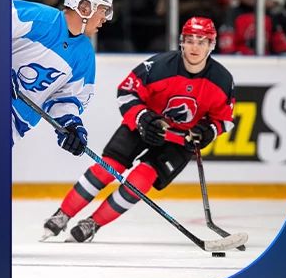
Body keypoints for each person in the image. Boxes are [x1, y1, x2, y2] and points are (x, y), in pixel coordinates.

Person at [42, 16, 234, 243]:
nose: (194, 47)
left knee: (141, 178)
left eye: (201, 41)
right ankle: (63, 213)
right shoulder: (160, 66)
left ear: (211, 45)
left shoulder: (222, 80)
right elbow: (126, 91)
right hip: (144, 126)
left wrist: (206, 132)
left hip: (179, 141)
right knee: (107, 167)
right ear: (181, 41)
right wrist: (144, 117)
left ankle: (93, 223)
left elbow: (224, 119)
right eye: (190, 40)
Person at [11, 0, 113, 154]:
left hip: (12, 126)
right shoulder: (39, 18)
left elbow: (66, 99)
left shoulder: (85, 55)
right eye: (102, 10)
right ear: (84, 8)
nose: (105, 18)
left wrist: (70, 126)